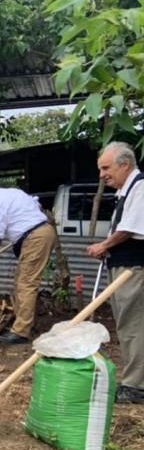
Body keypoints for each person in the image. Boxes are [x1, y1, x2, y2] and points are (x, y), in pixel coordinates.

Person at [86, 142, 144, 404]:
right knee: (127, 324)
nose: (102, 175)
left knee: (134, 325)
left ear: (125, 165)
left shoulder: (141, 187)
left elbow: (130, 228)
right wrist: (108, 248)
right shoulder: (126, 191)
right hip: (122, 265)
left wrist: (104, 245)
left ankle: (136, 386)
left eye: (106, 168)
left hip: (133, 269)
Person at [0, 181, 56, 344]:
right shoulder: (13, 192)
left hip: (35, 237)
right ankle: (23, 322)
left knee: (26, 284)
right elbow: (36, 204)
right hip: (39, 233)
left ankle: (21, 332)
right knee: (20, 282)